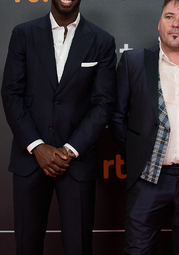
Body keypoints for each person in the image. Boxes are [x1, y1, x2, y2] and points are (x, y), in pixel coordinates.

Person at [1, 0, 116, 254]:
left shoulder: (102, 40)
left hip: (76, 162)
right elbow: (11, 94)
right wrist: (37, 146)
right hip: (29, 159)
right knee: (26, 246)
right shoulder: (23, 34)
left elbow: (103, 104)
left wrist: (70, 150)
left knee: (79, 247)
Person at [109, 0, 179, 254]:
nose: (175, 24)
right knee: (137, 251)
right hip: (148, 180)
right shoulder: (134, 61)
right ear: (159, 23)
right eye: (169, 16)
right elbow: (116, 117)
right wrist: (140, 152)